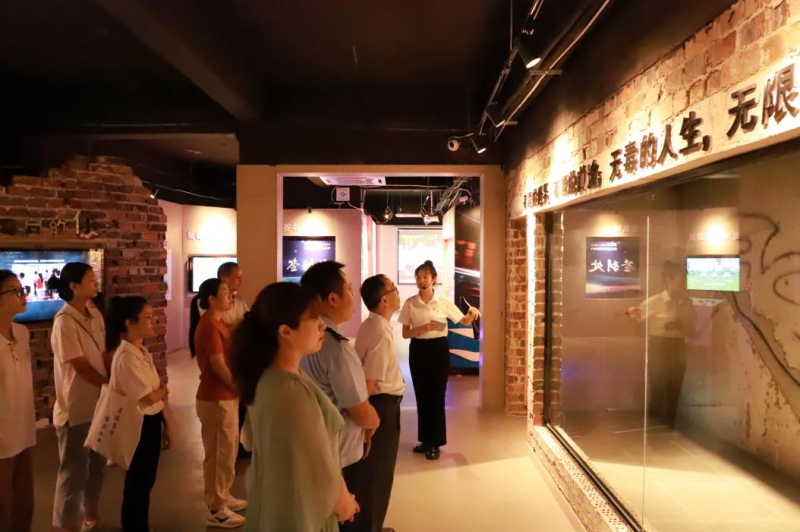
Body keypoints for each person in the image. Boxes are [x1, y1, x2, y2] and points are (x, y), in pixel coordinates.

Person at [229, 282, 360, 531]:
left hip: (278, 505)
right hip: (297, 513)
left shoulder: (270, 379)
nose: (322, 325)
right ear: (286, 331)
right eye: (313, 319)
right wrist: (344, 503)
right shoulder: (291, 392)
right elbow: (317, 466)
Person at [298, 261, 380, 529]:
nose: (354, 296)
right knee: (346, 518)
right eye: (350, 289)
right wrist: (375, 421)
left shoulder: (303, 337)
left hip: (315, 451)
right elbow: (359, 410)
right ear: (333, 298)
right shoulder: (335, 347)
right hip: (340, 455)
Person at [399, 260, 479, 461]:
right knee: (422, 396)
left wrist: (472, 314)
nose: (421, 281)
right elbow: (405, 333)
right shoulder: (410, 303)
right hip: (418, 350)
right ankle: (425, 441)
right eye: (418, 277)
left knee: (436, 397)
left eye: (425, 277)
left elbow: (464, 321)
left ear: (433, 279)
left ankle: (435, 442)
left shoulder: (443, 302)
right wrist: (423, 328)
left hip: (438, 350)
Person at [105, 296, 172, 532]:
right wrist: (163, 390)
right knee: (139, 479)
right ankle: (134, 526)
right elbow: (148, 396)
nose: (153, 321)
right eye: (147, 318)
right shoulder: (126, 357)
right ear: (129, 322)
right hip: (138, 424)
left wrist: (167, 422)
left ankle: (139, 524)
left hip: (151, 420)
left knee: (146, 478)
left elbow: (156, 394)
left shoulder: (141, 352)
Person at [50, 262, 108, 532]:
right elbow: (80, 365)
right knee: (73, 473)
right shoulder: (64, 321)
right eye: (90, 278)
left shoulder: (94, 313)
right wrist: (108, 385)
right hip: (76, 408)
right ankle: (67, 526)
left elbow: (102, 353)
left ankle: (91, 516)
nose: (96, 282)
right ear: (74, 286)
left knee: (97, 465)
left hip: (100, 403)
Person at [190, 278, 247, 528]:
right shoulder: (208, 326)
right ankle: (216, 509)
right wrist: (241, 389)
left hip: (227, 396)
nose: (230, 294)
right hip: (215, 397)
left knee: (228, 450)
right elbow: (218, 367)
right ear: (212, 299)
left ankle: (223, 495)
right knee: (217, 454)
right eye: (225, 291)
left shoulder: (219, 322)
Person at [353, 275, 404, 532]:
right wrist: (367, 424)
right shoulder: (380, 333)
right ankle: (370, 527)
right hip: (380, 406)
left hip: (379, 403)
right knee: (378, 475)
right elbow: (370, 384)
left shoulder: (372, 325)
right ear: (384, 300)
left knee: (372, 474)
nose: (398, 292)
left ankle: (370, 525)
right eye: (393, 288)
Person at [627, 260, 696, 427]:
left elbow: (692, 331)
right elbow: (634, 319)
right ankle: (654, 425)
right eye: (682, 278)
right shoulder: (654, 302)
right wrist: (630, 311)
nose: (685, 283)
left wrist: (681, 326)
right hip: (659, 347)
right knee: (658, 386)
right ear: (669, 279)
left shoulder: (687, 303)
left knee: (675, 387)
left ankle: (670, 424)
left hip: (678, 347)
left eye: (686, 279)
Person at [0, 270, 36, 532]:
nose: (23, 295)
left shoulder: (22, 333)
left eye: (23, 289)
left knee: (24, 505)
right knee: (3, 508)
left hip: (23, 431)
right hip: (1, 438)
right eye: (15, 291)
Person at [216, 262, 251, 459]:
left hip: (239, 357)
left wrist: (235, 326)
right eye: (237, 277)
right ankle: (228, 449)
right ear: (224, 279)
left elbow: (246, 325)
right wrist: (238, 325)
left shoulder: (239, 301)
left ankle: (236, 445)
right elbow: (222, 331)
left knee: (241, 405)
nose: (241, 281)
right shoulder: (211, 302)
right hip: (224, 359)